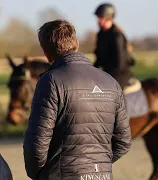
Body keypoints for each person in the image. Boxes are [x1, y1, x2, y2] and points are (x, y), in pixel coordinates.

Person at [23, 19, 132, 180]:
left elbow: (37, 142)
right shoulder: (111, 82)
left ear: (46, 53)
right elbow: (123, 141)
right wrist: (98, 167)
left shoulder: (50, 81)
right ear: (77, 44)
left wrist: (39, 174)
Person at [93, 3, 136, 90]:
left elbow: (120, 64)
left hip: (120, 75)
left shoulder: (117, 36)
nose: (97, 20)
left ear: (107, 18)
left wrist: (105, 75)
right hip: (108, 73)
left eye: (100, 17)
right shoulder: (100, 35)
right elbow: (99, 59)